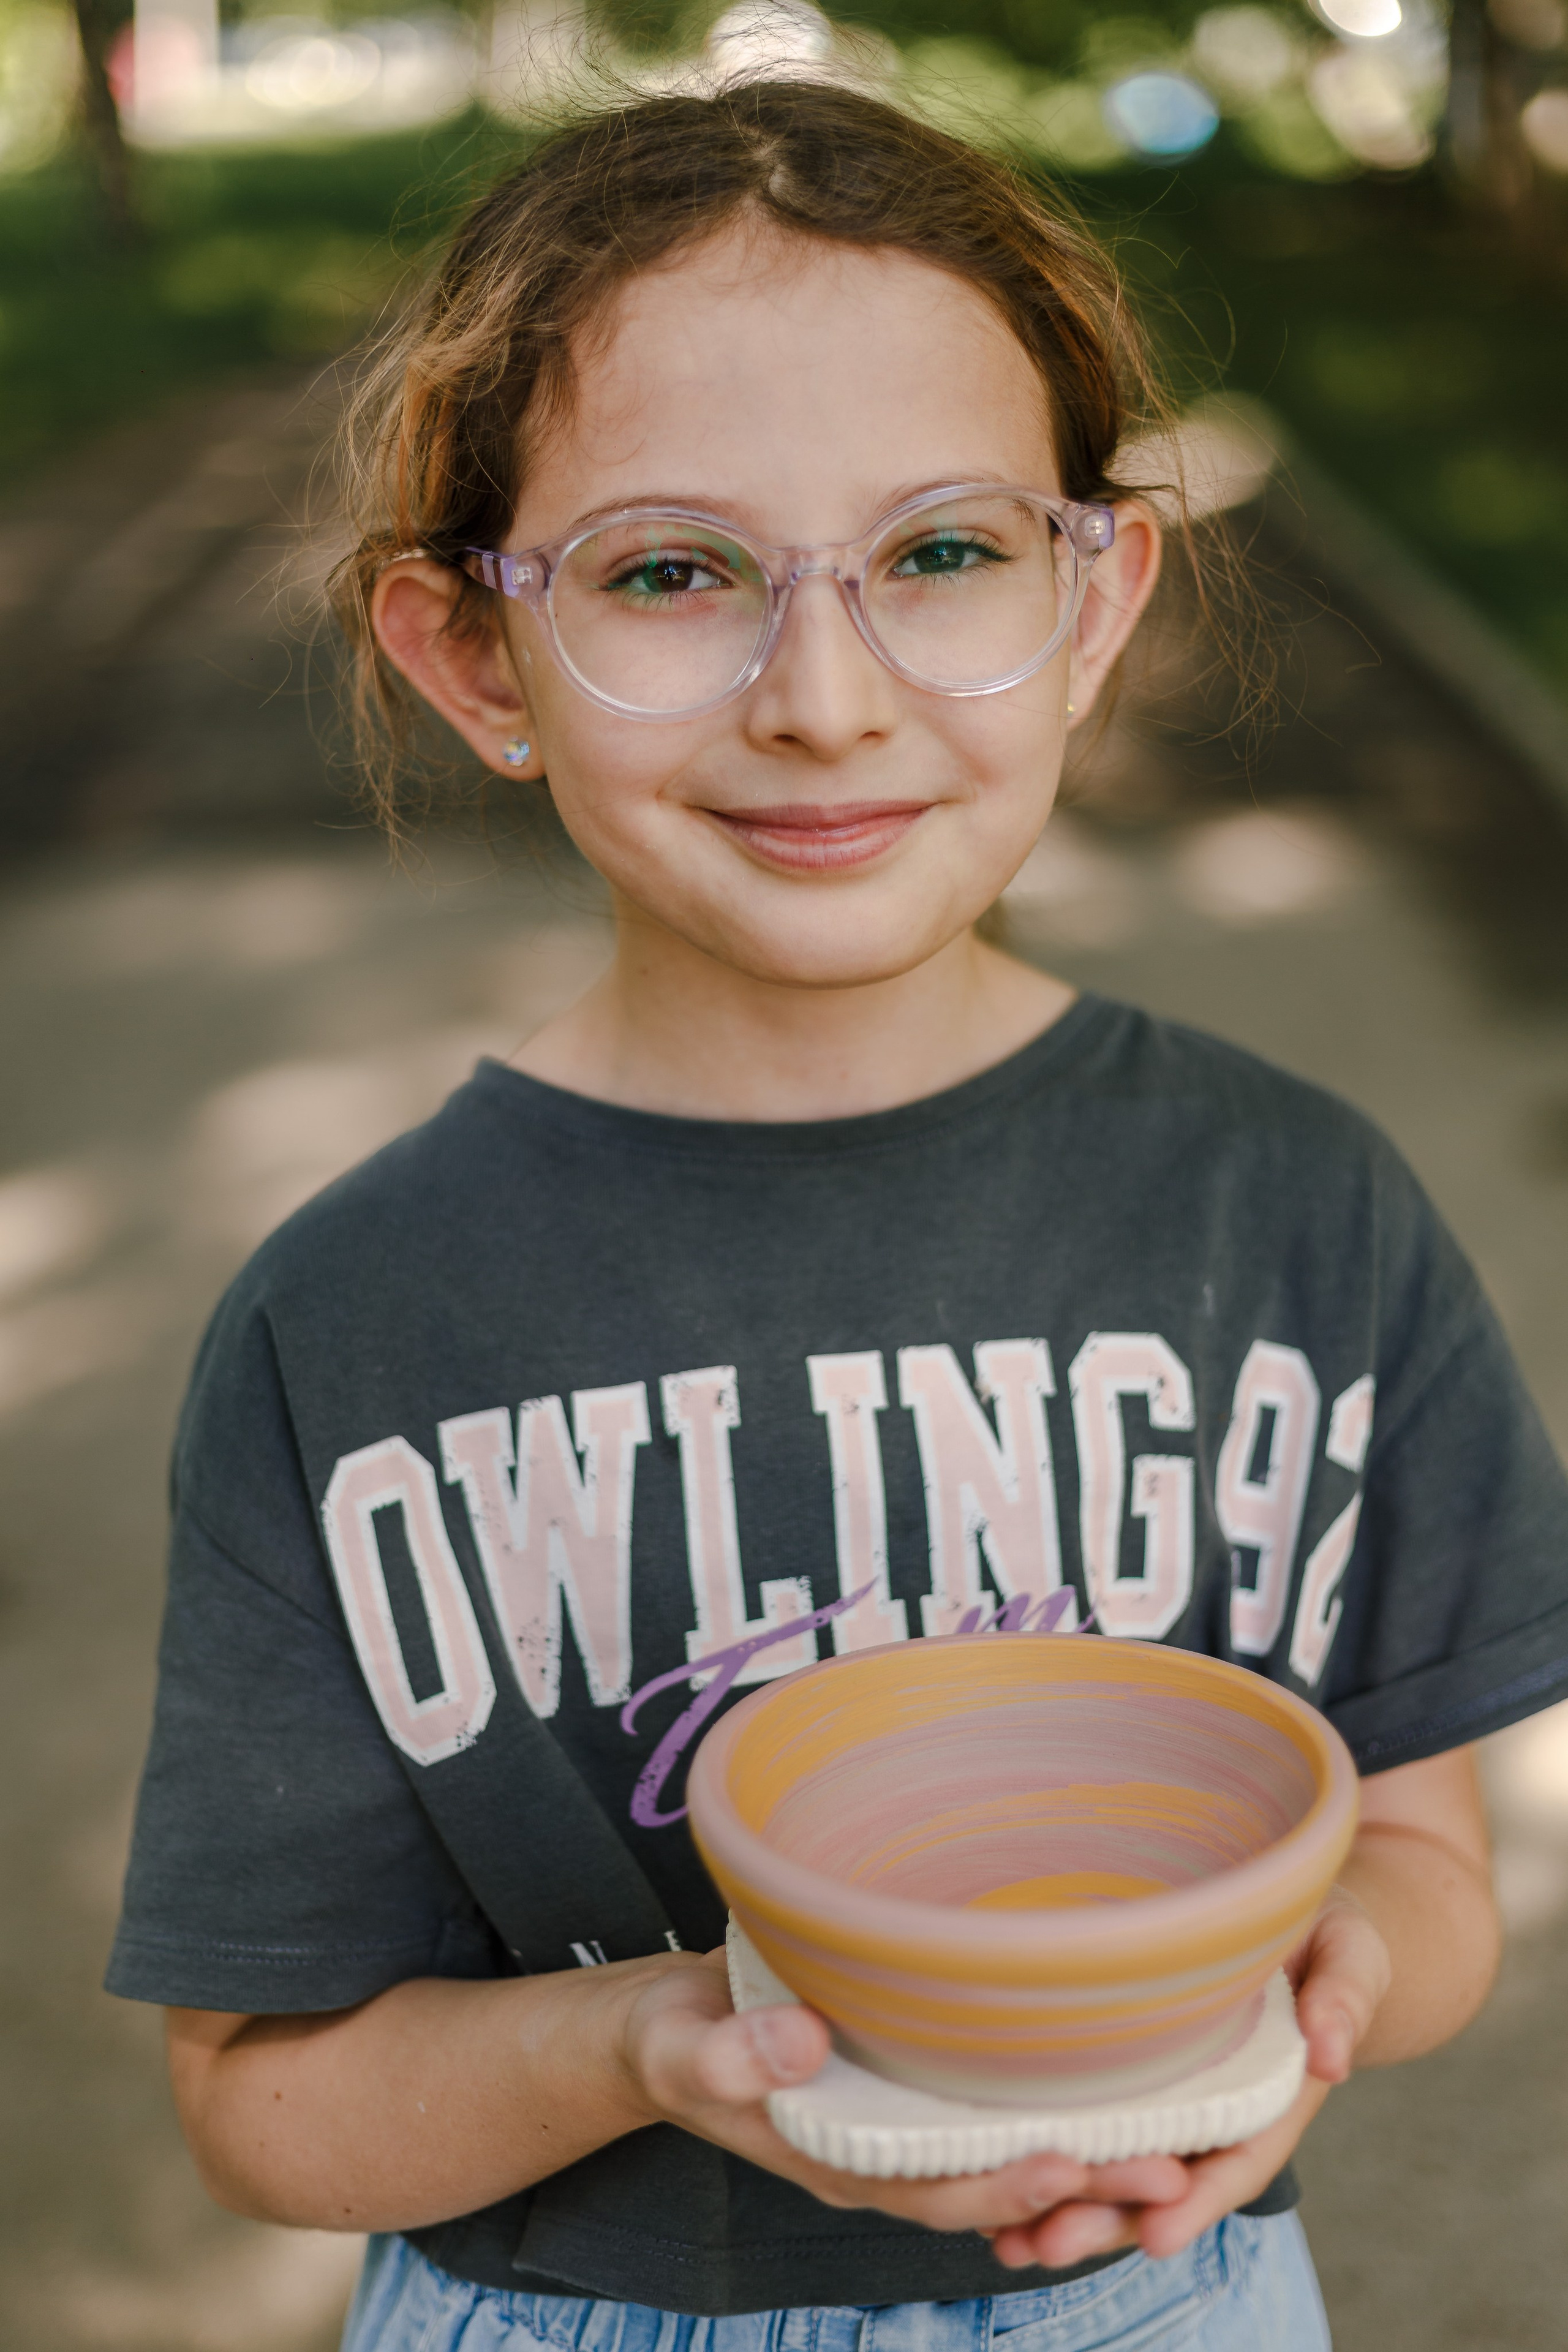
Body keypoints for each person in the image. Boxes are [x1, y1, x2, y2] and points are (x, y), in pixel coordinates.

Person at [107, 73, 1568, 2352]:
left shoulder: (1297, 1209)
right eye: (674, 573)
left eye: (945, 554)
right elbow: (265, 2102)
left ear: (1096, 604)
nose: (823, 699)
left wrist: (1320, 2003)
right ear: (476, 657)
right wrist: (646, 2046)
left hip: (1174, 2297)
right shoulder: (359, 1319)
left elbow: (1421, 1865)